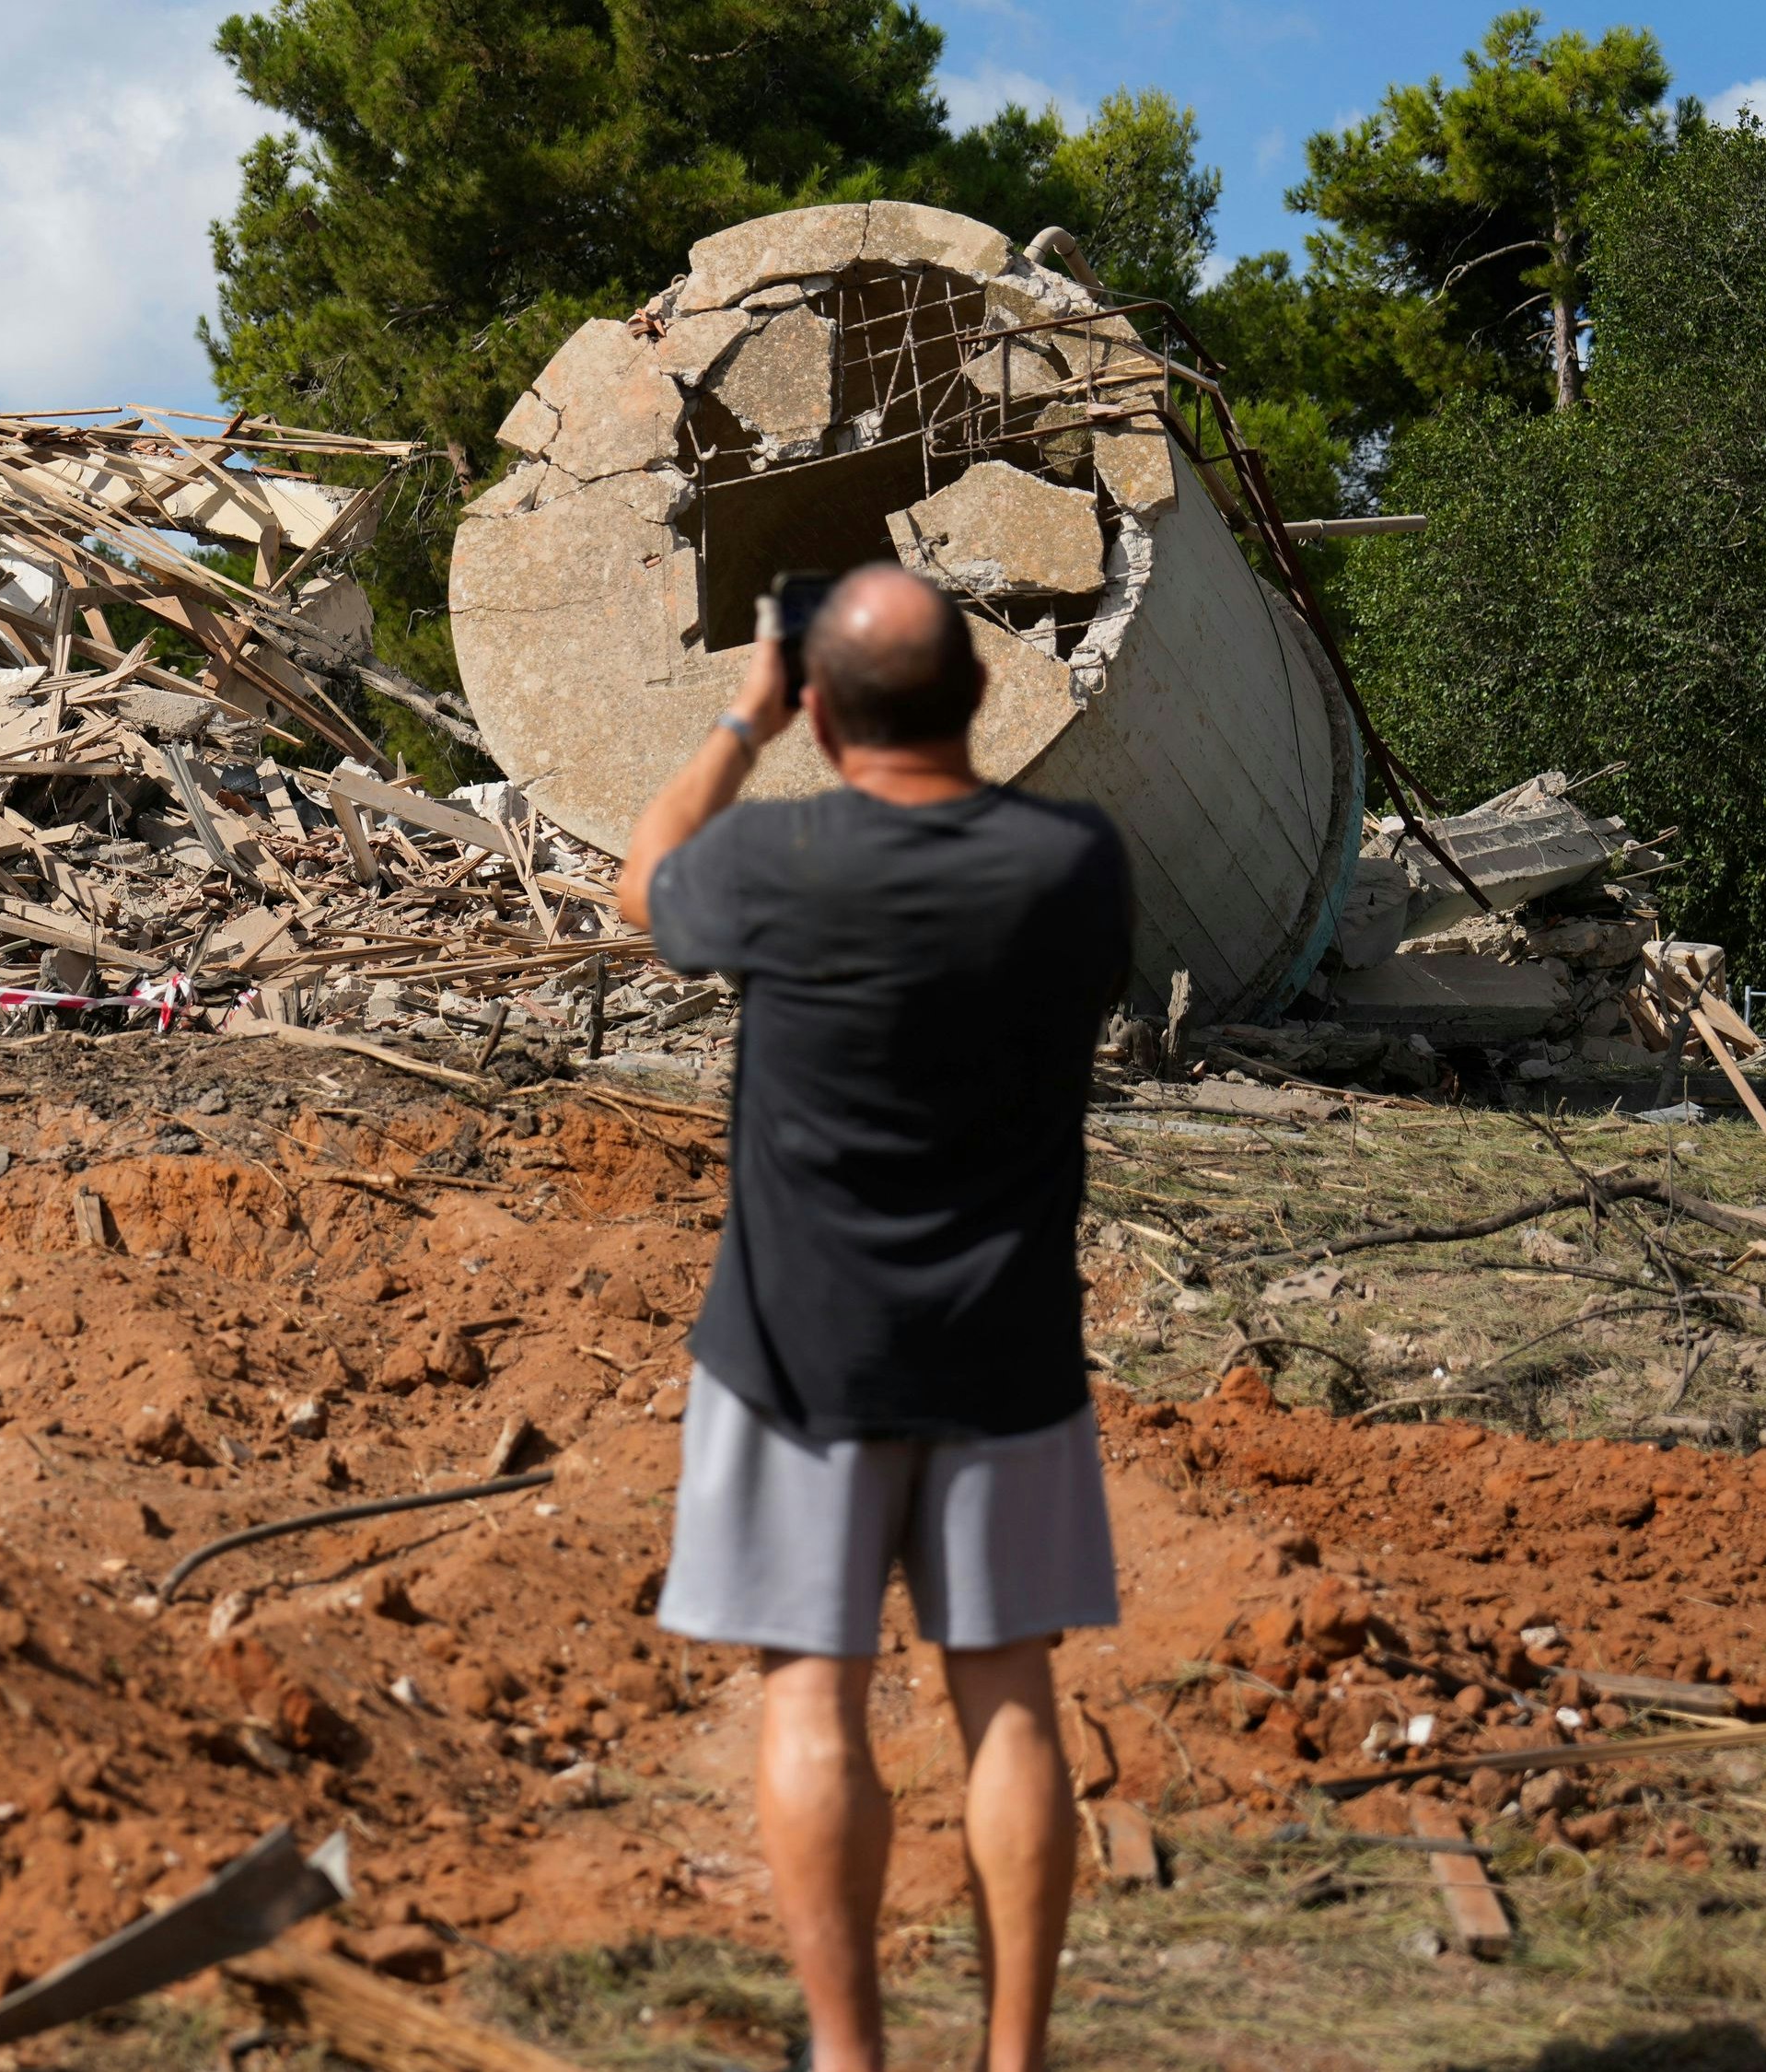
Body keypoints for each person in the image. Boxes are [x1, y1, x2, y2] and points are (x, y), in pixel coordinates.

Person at [613, 565, 1131, 2072]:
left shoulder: (775, 862)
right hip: (1011, 1353)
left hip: (793, 1355)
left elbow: (644, 880)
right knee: (1010, 1702)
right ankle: (1012, 2059)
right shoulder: (1076, 863)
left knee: (813, 1700)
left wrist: (743, 721)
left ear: (822, 710)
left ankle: (849, 2056)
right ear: (976, 697)